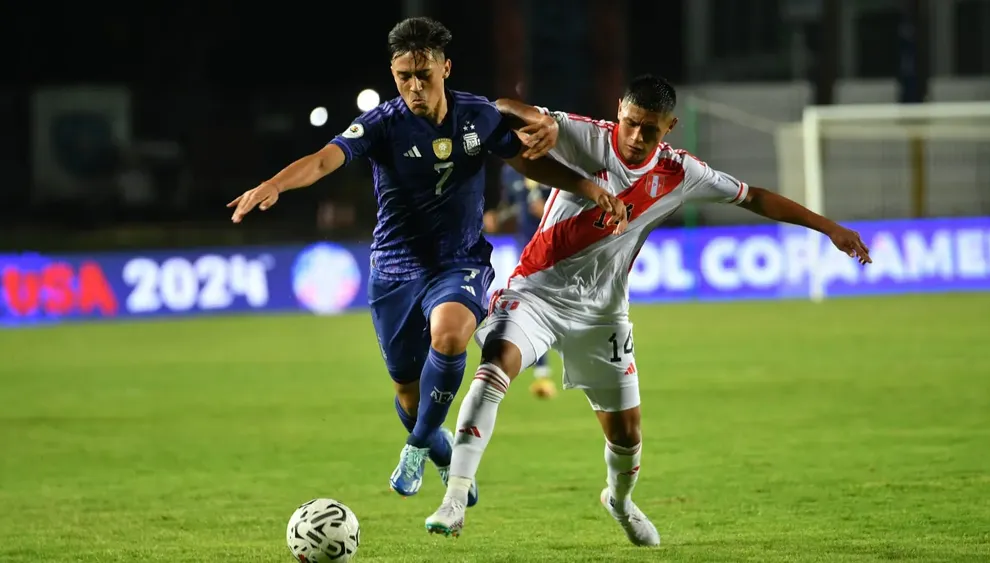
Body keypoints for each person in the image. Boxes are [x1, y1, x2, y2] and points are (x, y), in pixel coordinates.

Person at [425, 74, 872, 544]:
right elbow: (505, 105)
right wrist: (537, 120)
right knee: (494, 369)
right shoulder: (585, 136)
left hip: (604, 314)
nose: (637, 138)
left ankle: (618, 501)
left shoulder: (682, 173)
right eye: (631, 123)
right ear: (619, 111)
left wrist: (829, 229)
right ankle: (455, 499)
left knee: (627, 434)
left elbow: (753, 196)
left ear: (670, 127)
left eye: (650, 130)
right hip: (535, 293)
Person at [227, 18, 627, 504]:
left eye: (424, 74)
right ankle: (434, 445)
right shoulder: (382, 124)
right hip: (395, 269)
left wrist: (586, 186)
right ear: (393, 75)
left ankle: (417, 446)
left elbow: (525, 160)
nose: (414, 86)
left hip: (458, 260)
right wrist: (274, 184)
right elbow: (322, 160)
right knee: (408, 393)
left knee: (452, 332)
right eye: (403, 77)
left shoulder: (477, 116)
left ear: (446, 68)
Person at [483, 165, 556, 398]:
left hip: (560, 250)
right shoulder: (511, 170)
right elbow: (511, 203)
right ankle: (542, 374)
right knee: (531, 308)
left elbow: (579, 198)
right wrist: (496, 215)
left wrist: (549, 210)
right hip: (527, 253)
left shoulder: (554, 160)